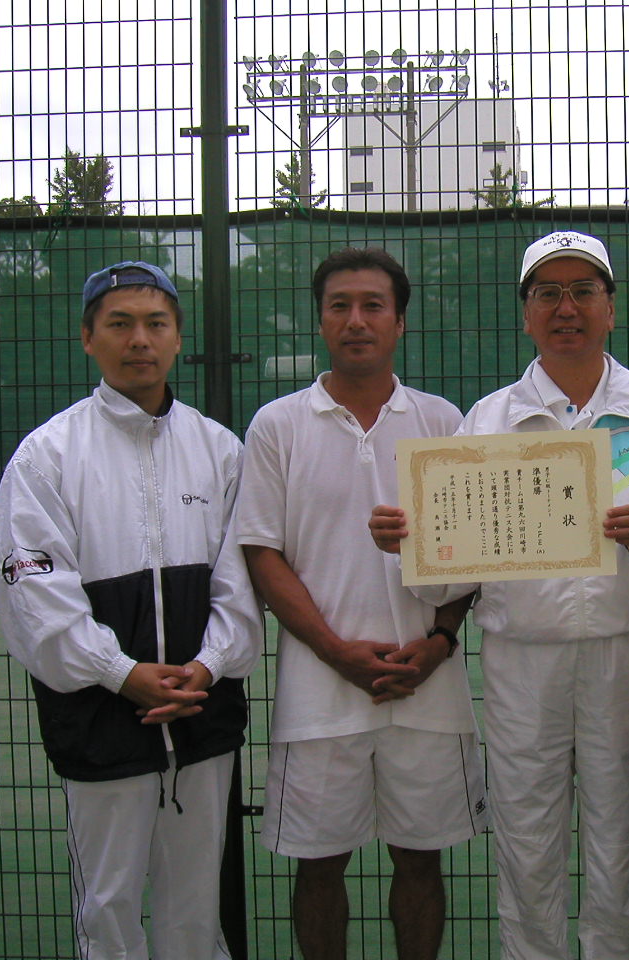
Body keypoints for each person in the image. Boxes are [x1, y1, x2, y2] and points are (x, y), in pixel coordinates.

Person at [371, 230, 629, 960]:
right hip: (521, 660)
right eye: (548, 293)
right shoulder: (487, 420)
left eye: (584, 291)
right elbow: (456, 574)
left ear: (611, 307)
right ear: (526, 313)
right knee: (526, 844)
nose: (566, 308)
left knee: (624, 846)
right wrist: (411, 542)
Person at [0, 261, 263, 960]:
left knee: (194, 908)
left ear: (177, 337)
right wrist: (121, 673)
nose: (139, 339)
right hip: (101, 724)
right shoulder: (46, 456)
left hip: (201, 721)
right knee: (108, 909)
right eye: (119, 324)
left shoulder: (219, 449)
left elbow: (241, 584)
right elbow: (35, 594)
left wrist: (207, 666)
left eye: (155, 323)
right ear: (88, 338)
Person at [233, 247, 487, 960]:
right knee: (319, 868)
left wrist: (438, 644)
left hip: (428, 687)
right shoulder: (277, 424)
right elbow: (263, 553)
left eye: (373, 305)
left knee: (420, 861)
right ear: (320, 320)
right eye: (339, 306)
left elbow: (471, 552)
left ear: (400, 322)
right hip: (319, 696)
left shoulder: (442, 421)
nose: (356, 320)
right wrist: (336, 651)